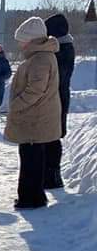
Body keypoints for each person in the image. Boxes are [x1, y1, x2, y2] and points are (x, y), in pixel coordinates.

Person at [4, 17, 61, 210]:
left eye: (21, 39)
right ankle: (33, 196)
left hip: (35, 118)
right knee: (32, 158)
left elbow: (35, 90)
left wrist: (16, 105)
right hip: (36, 117)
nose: (19, 43)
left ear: (31, 40)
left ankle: (31, 198)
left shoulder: (41, 59)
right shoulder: (40, 57)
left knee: (31, 160)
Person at [44, 13, 76, 189]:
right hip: (58, 97)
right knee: (52, 136)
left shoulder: (62, 50)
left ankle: (52, 176)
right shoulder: (63, 48)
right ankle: (50, 175)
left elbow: (58, 77)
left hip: (57, 98)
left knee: (53, 137)